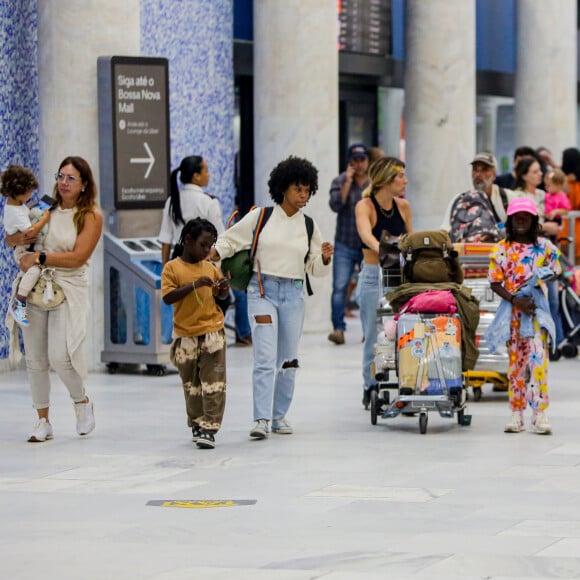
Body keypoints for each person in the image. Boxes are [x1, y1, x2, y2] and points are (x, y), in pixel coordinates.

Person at [211, 156, 333, 439]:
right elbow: (231, 239)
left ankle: (279, 416)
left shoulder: (309, 226)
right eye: (298, 189)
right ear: (282, 189)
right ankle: (261, 419)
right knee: (265, 357)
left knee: (288, 360)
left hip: (293, 295)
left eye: (307, 190)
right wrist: (213, 252)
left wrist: (324, 259)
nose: (303, 195)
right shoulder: (261, 216)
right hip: (261, 292)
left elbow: (314, 268)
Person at [7, 156, 102, 442]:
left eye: (71, 178)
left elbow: (78, 257)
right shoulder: (43, 206)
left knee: (61, 356)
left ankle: (81, 401)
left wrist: (41, 256)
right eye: (60, 176)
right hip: (37, 287)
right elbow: (14, 236)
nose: (63, 183)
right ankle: (43, 420)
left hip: (68, 288)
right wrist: (18, 244)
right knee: (35, 358)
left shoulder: (90, 215)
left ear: (84, 184)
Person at [487, 197, 561, 434]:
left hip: (537, 314)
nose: (521, 220)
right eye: (516, 216)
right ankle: (516, 413)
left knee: (538, 362)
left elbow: (557, 270)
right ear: (509, 220)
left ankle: (539, 414)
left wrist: (541, 280)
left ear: (533, 220)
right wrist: (515, 299)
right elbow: (494, 282)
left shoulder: (545, 247)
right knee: (516, 365)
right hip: (514, 315)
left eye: (525, 216)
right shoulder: (501, 248)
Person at [161, 218, 229, 449]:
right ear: (188, 240)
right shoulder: (172, 268)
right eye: (203, 244)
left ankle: (210, 427)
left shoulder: (210, 267)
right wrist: (193, 285)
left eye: (210, 245)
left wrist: (222, 291)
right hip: (185, 336)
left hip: (212, 333)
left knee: (214, 384)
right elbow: (168, 297)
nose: (207, 250)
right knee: (191, 386)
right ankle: (197, 423)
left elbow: (220, 296)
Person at [355, 156, 412, 407]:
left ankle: (407, 381)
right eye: (400, 176)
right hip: (372, 275)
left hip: (398, 275)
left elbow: (410, 239)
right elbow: (366, 235)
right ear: (386, 179)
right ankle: (371, 385)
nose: (405, 181)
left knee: (404, 330)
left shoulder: (404, 207)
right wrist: (385, 248)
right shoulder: (365, 205)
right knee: (372, 332)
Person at [328, 143, 369, 345]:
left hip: (366, 244)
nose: (359, 164)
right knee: (340, 287)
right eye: (355, 160)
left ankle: (368, 330)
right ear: (350, 162)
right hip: (344, 243)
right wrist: (347, 182)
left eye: (362, 159)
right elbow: (336, 205)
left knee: (368, 287)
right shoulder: (340, 181)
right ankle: (338, 329)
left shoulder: (373, 184)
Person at [1, 165, 51, 326]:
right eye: (29, 191)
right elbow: (29, 233)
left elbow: (25, 212)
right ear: (19, 191)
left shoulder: (15, 205)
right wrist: (45, 218)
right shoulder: (14, 212)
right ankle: (19, 301)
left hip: (24, 247)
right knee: (34, 269)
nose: (31, 194)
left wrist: (37, 207)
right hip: (22, 251)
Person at [158, 155, 224, 265]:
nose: (209, 175)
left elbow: (166, 240)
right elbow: (220, 239)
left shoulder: (172, 201)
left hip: (177, 263)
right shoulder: (209, 202)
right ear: (196, 176)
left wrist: (165, 271)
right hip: (202, 263)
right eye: (206, 171)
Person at [441, 152, 515, 239]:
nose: (478, 174)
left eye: (484, 169)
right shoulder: (460, 200)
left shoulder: (508, 197)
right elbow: (445, 230)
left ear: (494, 174)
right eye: (475, 169)